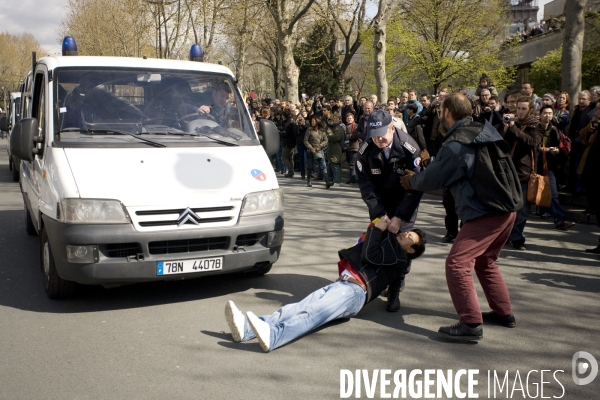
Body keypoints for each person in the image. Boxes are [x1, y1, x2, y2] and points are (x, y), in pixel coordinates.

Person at [401, 93, 517, 342]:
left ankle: (471, 323)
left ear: (448, 113)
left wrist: (411, 180)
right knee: (485, 261)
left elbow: (433, 177)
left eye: (441, 110)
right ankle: (504, 313)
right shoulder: (481, 130)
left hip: (486, 212)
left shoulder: (457, 143)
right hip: (507, 208)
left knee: (457, 263)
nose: (439, 114)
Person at [224, 220, 427, 352]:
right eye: (408, 232)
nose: (406, 234)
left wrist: (377, 229)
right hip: (344, 285)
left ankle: (274, 336)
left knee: (312, 313)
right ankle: (246, 329)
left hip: (354, 291)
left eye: (411, 238)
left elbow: (369, 254)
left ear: (410, 251)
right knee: (296, 307)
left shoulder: (399, 258)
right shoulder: (391, 247)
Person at [355, 109, 424, 312]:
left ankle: (395, 287)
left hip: (404, 202)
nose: (378, 140)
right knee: (380, 242)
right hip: (381, 204)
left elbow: (416, 187)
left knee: (401, 246)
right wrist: (381, 214)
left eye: (382, 135)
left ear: (392, 128)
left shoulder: (409, 148)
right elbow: (366, 187)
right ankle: (381, 280)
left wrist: (400, 218)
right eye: (373, 136)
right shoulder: (365, 151)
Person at [502, 96, 543, 250]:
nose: (520, 111)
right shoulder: (512, 123)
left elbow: (532, 142)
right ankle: (505, 236)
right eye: (518, 108)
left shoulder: (536, 126)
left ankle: (517, 237)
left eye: (524, 108)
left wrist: (513, 128)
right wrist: (505, 127)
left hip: (524, 172)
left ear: (530, 109)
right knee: (507, 207)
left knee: (523, 210)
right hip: (507, 170)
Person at [537, 105, 576, 230]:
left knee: (552, 193)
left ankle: (559, 219)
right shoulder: (534, 128)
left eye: (550, 113)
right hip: (532, 165)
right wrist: (546, 149)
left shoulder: (554, 130)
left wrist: (556, 150)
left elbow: (559, 146)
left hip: (548, 166)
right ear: (540, 114)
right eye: (545, 113)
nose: (547, 115)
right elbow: (533, 145)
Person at [304, 115, 329, 188]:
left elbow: (326, 140)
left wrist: (321, 146)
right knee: (310, 166)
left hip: (319, 150)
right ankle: (308, 181)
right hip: (310, 150)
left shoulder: (322, 130)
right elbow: (305, 140)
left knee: (323, 165)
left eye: (314, 121)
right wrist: (310, 148)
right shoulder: (309, 130)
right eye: (312, 121)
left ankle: (327, 181)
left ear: (317, 121)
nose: (313, 122)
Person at [326, 114, 346, 187]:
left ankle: (337, 181)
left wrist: (330, 133)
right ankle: (337, 180)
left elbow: (336, 138)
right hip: (334, 149)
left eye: (337, 118)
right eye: (334, 118)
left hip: (336, 149)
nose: (335, 120)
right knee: (335, 165)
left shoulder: (339, 128)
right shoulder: (335, 127)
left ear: (340, 119)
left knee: (335, 166)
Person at [345, 112, 360, 184]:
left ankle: (352, 178)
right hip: (349, 147)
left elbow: (356, 135)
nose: (349, 119)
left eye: (350, 118)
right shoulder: (347, 126)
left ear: (353, 119)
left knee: (352, 164)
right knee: (351, 163)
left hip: (355, 147)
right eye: (348, 118)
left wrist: (348, 136)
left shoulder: (355, 126)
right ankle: (353, 177)